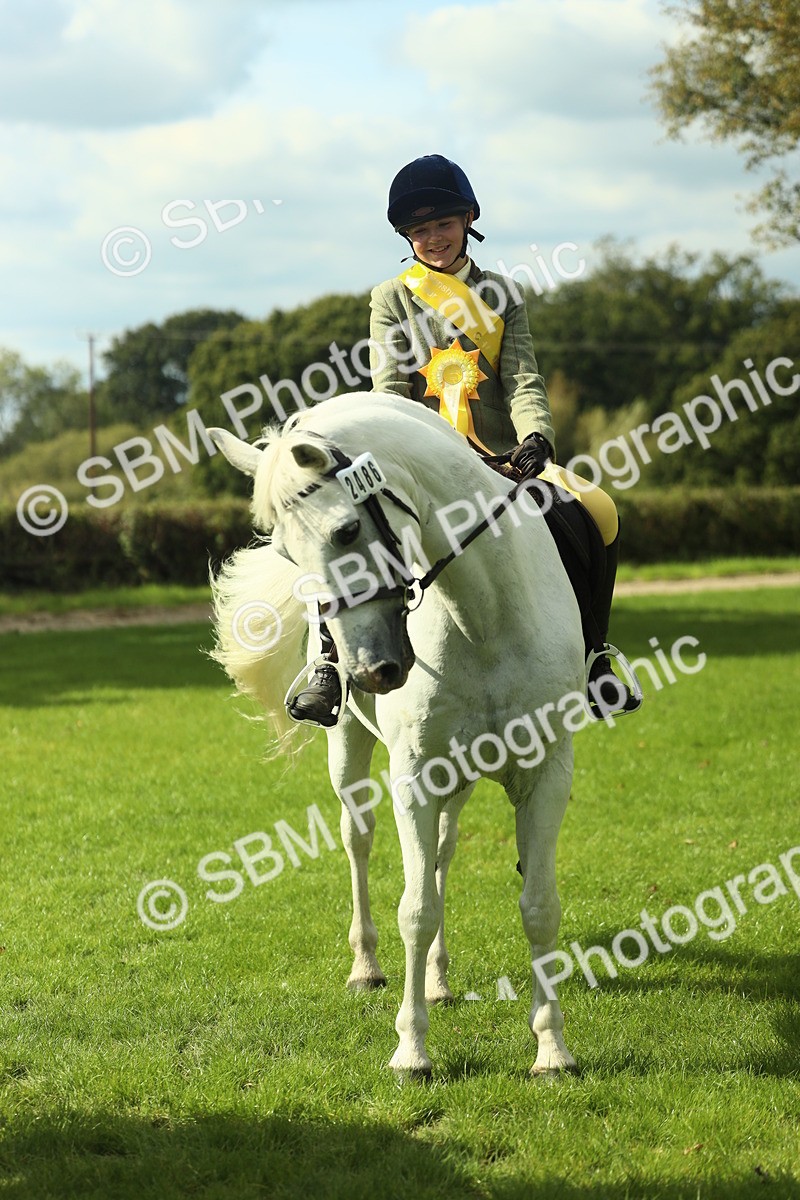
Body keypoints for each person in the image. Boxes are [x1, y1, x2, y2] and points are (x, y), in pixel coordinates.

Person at [287, 154, 641, 727]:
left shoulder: (504, 293)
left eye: (442, 226)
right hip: (416, 461)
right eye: (419, 231)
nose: (432, 239)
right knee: (341, 521)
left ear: (469, 219)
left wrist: (536, 438)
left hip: (503, 459)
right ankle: (328, 662)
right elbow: (390, 388)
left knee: (598, 509)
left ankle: (595, 656)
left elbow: (522, 375)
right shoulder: (392, 297)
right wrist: (408, 451)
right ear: (407, 236)